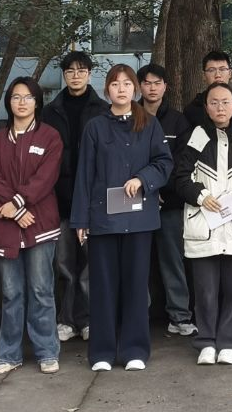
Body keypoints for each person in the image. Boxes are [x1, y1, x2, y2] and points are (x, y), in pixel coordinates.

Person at [71, 64, 173, 371]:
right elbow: (84, 175)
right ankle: (101, 352)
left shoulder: (149, 124)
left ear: (135, 89)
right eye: (115, 84)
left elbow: (164, 162)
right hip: (102, 219)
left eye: (127, 84)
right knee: (102, 287)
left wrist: (142, 178)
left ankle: (135, 350)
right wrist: (80, 220)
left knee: (136, 285)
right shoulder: (95, 127)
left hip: (139, 220)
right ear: (107, 90)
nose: (122, 89)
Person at [172, 82, 232, 365]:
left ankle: (229, 342)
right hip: (204, 224)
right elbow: (181, 177)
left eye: (225, 102)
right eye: (214, 102)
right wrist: (201, 196)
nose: (220, 107)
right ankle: (206, 340)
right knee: (205, 290)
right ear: (206, 107)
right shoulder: (196, 136)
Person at [0, 77, 65, 375]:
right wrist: (16, 211)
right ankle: (8, 354)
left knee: (42, 289)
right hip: (7, 226)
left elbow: (46, 178)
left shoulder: (50, 137)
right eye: (16, 97)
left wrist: (18, 202)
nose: (21, 102)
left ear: (37, 102)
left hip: (40, 223)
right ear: (9, 102)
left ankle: (47, 351)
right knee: (11, 293)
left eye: (28, 97)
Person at [47, 51, 107, 343]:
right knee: (63, 265)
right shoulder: (50, 111)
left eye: (81, 70)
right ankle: (66, 319)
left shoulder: (102, 110)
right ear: (64, 75)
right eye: (70, 71)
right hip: (59, 200)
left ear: (89, 74)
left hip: (93, 200)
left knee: (90, 265)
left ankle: (89, 319)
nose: (75, 75)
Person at [138, 64, 197, 337]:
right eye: (147, 83)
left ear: (165, 87)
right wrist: (146, 189)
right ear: (140, 86)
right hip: (136, 202)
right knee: (137, 262)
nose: (152, 88)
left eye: (157, 83)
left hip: (169, 203)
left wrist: (161, 190)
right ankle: (137, 316)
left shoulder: (178, 121)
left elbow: (183, 162)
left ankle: (179, 316)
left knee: (173, 260)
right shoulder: (130, 117)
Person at [184, 51, 232, 128]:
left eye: (222, 69)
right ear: (203, 75)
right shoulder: (192, 110)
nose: (218, 75)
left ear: (230, 73)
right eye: (211, 70)